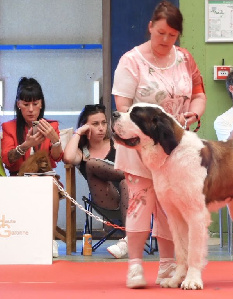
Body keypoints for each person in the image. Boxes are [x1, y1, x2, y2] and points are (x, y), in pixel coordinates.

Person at [112, 1, 206, 288]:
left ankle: (169, 265)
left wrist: (196, 112)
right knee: (140, 203)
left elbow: (199, 93)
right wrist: (138, 141)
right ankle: (135, 267)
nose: (166, 40)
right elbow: (123, 107)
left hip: (178, 150)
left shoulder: (185, 58)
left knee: (173, 209)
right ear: (150, 27)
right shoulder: (131, 60)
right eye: (161, 32)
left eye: (173, 35)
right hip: (140, 147)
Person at [1, 77, 63, 258]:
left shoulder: (52, 126)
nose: (30, 109)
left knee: (49, 184)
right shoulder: (9, 127)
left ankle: (50, 240)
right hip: (18, 180)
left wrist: (55, 140)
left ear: (41, 104)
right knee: (43, 183)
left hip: (47, 179)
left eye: (35, 104)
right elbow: (8, 160)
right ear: (18, 104)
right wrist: (26, 145)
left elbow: (57, 157)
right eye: (26, 104)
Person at [62, 104, 130, 258]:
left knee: (127, 182)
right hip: (107, 201)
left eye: (104, 123)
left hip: (132, 199)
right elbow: (68, 158)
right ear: (85, 126)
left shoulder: (117, 143)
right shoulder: (82, 151)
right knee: (91, 163)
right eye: (95, 124)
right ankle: (129, 175)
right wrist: (78, 133)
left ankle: (128, 238)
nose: (101, 128)